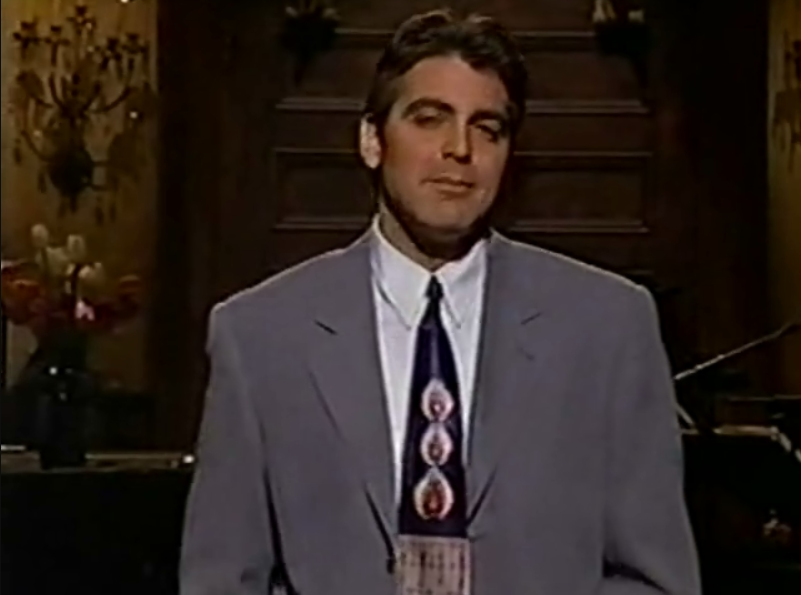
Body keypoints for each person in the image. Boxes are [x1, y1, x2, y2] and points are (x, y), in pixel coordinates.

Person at [179, 9, 700, 595]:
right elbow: (221, 578)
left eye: (488, 128)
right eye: (430, 119)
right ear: (372, 140)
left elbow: (656, 579)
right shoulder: (259, 335)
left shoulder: (608, 326)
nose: (460, 149)